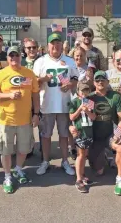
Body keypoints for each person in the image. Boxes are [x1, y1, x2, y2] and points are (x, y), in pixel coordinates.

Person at [0, 46, 40, 193]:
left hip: (25, 119)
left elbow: (35, 95)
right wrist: (9, 96)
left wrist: (36, 113)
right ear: (7, 58)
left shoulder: (29, 73)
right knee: (5, 150)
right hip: (6, 119)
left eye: (16, 55)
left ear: (21, 56)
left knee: (24, 148)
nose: (14, 58)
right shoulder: (1, 74)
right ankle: (7, 176)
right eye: (11, 56)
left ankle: (18, 169)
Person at [33, 33, 79, 176]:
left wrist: (70, 84)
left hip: (64, 105)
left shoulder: (69, 61)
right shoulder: (40, 61)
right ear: (48, 46)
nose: (55, 45)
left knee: (64, 135)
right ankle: (46, 161)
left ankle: (65, 161)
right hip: (46, 104)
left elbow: (75, 79)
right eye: (52, 43)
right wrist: (43, 79)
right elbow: (33, 82)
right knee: (46, 135)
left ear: (61, 45)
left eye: (58, 43)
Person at [83, 71, 121, 195]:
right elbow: (84, 116)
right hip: (95, 137)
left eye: (103, 80)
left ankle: (120, 180)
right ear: (94, 83)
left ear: (108, 82)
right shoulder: (90, 98)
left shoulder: (115, 96)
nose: (100, 82)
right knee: (99, 171)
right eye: (97, 80)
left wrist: (118, 134)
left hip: (110, 134)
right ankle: (103, 157)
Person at [69, 81, 96, 193]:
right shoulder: (75, 102)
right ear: (78, 91)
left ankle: (83, 174)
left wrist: (88, 112)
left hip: (89, 132)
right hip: (80, 132)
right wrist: (80, 109)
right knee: (80, 155)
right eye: (82, 90)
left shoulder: (90, 102)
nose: (84, 93)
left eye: (86, 90)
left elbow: (93, 117)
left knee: (85, 154)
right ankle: (78, 179)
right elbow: (71, 117)